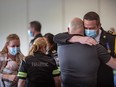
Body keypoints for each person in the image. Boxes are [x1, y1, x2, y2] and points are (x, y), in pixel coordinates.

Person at [54, 11, 116, 87]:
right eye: (86, 28)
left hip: (104, 81)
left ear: (99, 25)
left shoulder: (111, 39)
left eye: (92, 28)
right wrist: (78, 38)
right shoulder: (82, 35)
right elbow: (57, 37)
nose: (88, 30)